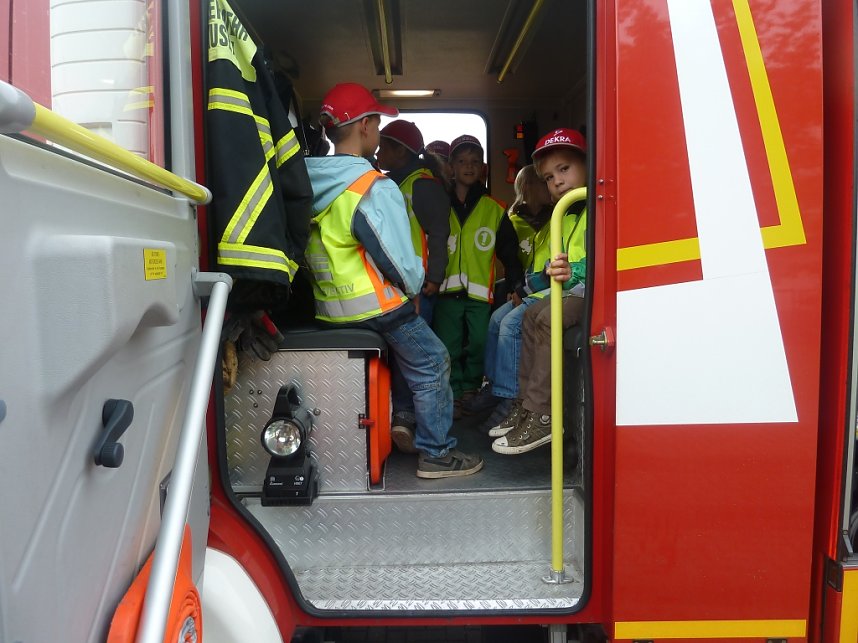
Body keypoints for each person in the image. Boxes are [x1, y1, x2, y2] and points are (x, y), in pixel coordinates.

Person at [303, 82, 483, 478]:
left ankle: (399, 422)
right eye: (378, 122)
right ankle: (436, 453)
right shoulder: (372, 187)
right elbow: (400, 266)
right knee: (433, 360)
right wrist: (415, 287)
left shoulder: (305, 181)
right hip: (374, 307)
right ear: (365, 126)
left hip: (329, 311)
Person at [489, 128, 588, 454]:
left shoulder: (598, 209)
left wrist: (574, 271)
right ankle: (528, 405)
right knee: (532, 315)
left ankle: (543, 414)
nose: (557, 182)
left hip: (592, 294)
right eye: (549, 177)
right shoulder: (566, 215)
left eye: (564, 169)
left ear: (588, 164)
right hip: (571, 290)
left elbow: (604, 260)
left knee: (545, 318)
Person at [433, 134, 522, 418]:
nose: (468, 167)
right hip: (445, 291)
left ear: (483, 167)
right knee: (449, 345)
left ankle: (471, 387)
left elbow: (509, 252)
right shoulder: (437, 204)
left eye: (474, 162)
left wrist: (515, 284)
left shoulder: (494, 208)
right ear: (451, 167)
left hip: (479, 293)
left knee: (480, 342)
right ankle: (455, 393)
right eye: (461, 161)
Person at [461, 164, 554, 423]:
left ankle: (509, 396)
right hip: (528, 286)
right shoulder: (513, 219)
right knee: (495, 320)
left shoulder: (556, 218)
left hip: (543, 286)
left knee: (510, 324)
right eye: (546, 179)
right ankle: (495, 386)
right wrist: (517, 288)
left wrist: (523, 289)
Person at [376, 120, 450, 325]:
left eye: (382, 147)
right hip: (399, 280)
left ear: (400, 150)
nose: (377, 152)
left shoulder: (423, 185)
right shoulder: (392, 183)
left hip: (420, 283)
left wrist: (435, 277)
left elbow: (438, 233)